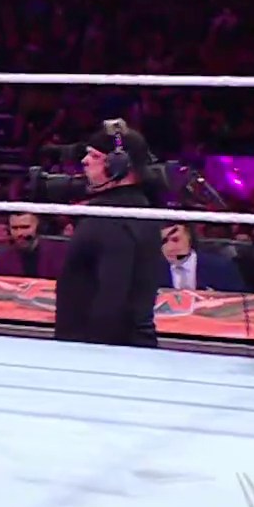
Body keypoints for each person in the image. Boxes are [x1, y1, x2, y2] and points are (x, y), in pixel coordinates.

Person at [52, 120, 166, 347]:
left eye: (94, 156)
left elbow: (112, 295)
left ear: (118, 166)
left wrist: (95, 354)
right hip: (119, 346)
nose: (84, 161)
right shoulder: (141, 211)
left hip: (102, 349)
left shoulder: (111, 219)